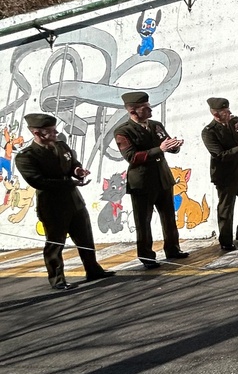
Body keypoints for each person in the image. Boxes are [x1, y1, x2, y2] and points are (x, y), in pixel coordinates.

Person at [14, 113, 115, 291]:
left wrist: (78, 171)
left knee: (85, 238)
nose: (56, 133)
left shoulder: (61, 145)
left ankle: (93, 269)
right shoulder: (26, 156)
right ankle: (57, 278)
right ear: (37, 133)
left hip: (74, 201)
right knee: (55, 243)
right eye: (50, 131)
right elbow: (37, 181)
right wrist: (69, 182)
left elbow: (72, 163)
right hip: (52, 206)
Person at [114, 90, 189, 268]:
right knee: (143, 222)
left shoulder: (156, 125)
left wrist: (174, 146)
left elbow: (166, 143)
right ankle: (147, 257)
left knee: (169, 217)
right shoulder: (123, 131)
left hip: (162, 178)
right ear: (133, 111)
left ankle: (173, 248)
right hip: (142, 182)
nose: (150, 111)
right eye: (145, 108)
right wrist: (159, 149)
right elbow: (132, 157)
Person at [201, 97, 238, 253]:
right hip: (225, 175)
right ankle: (226, 241)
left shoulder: (234, 121)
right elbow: (220, 155)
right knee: (226, 208)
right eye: (226, 111)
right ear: (217, 114)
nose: (230, 113)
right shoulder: (209, 132)